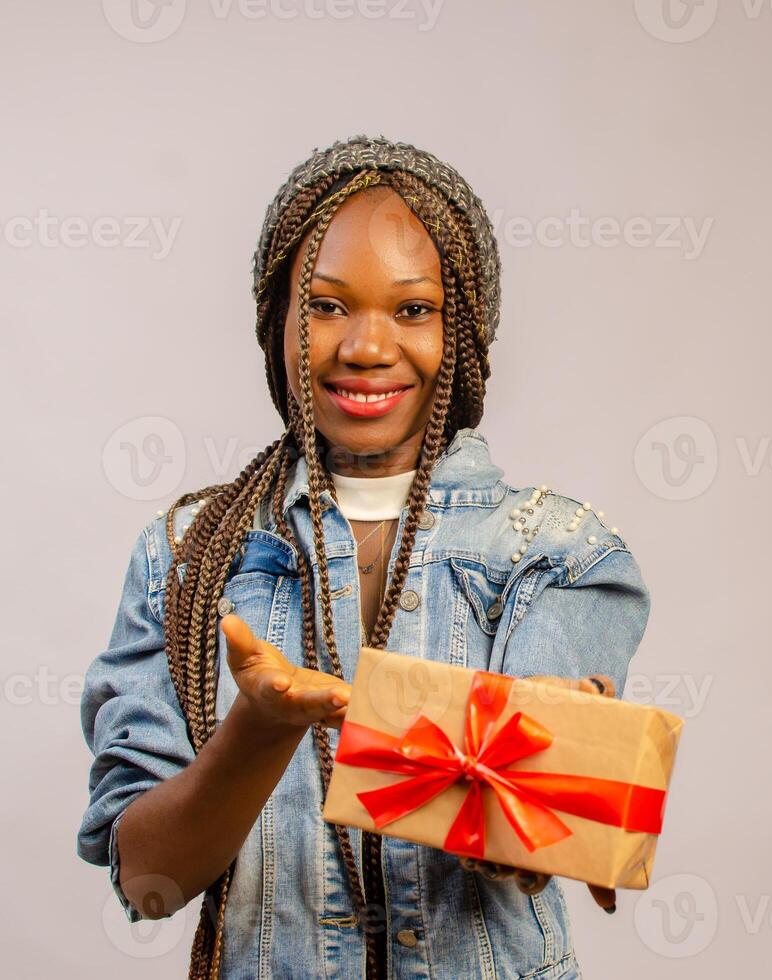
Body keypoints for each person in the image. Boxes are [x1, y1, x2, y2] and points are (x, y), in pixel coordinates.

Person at [78, 135, 651, 979]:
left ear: (466, 332)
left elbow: (540, 828)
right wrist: (260, 730)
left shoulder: (561, 554)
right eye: (327, 305)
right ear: (278, 323)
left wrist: (542, 795)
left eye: (413, 309)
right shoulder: (186, 559)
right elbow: (153, 885)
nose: (367, 347)